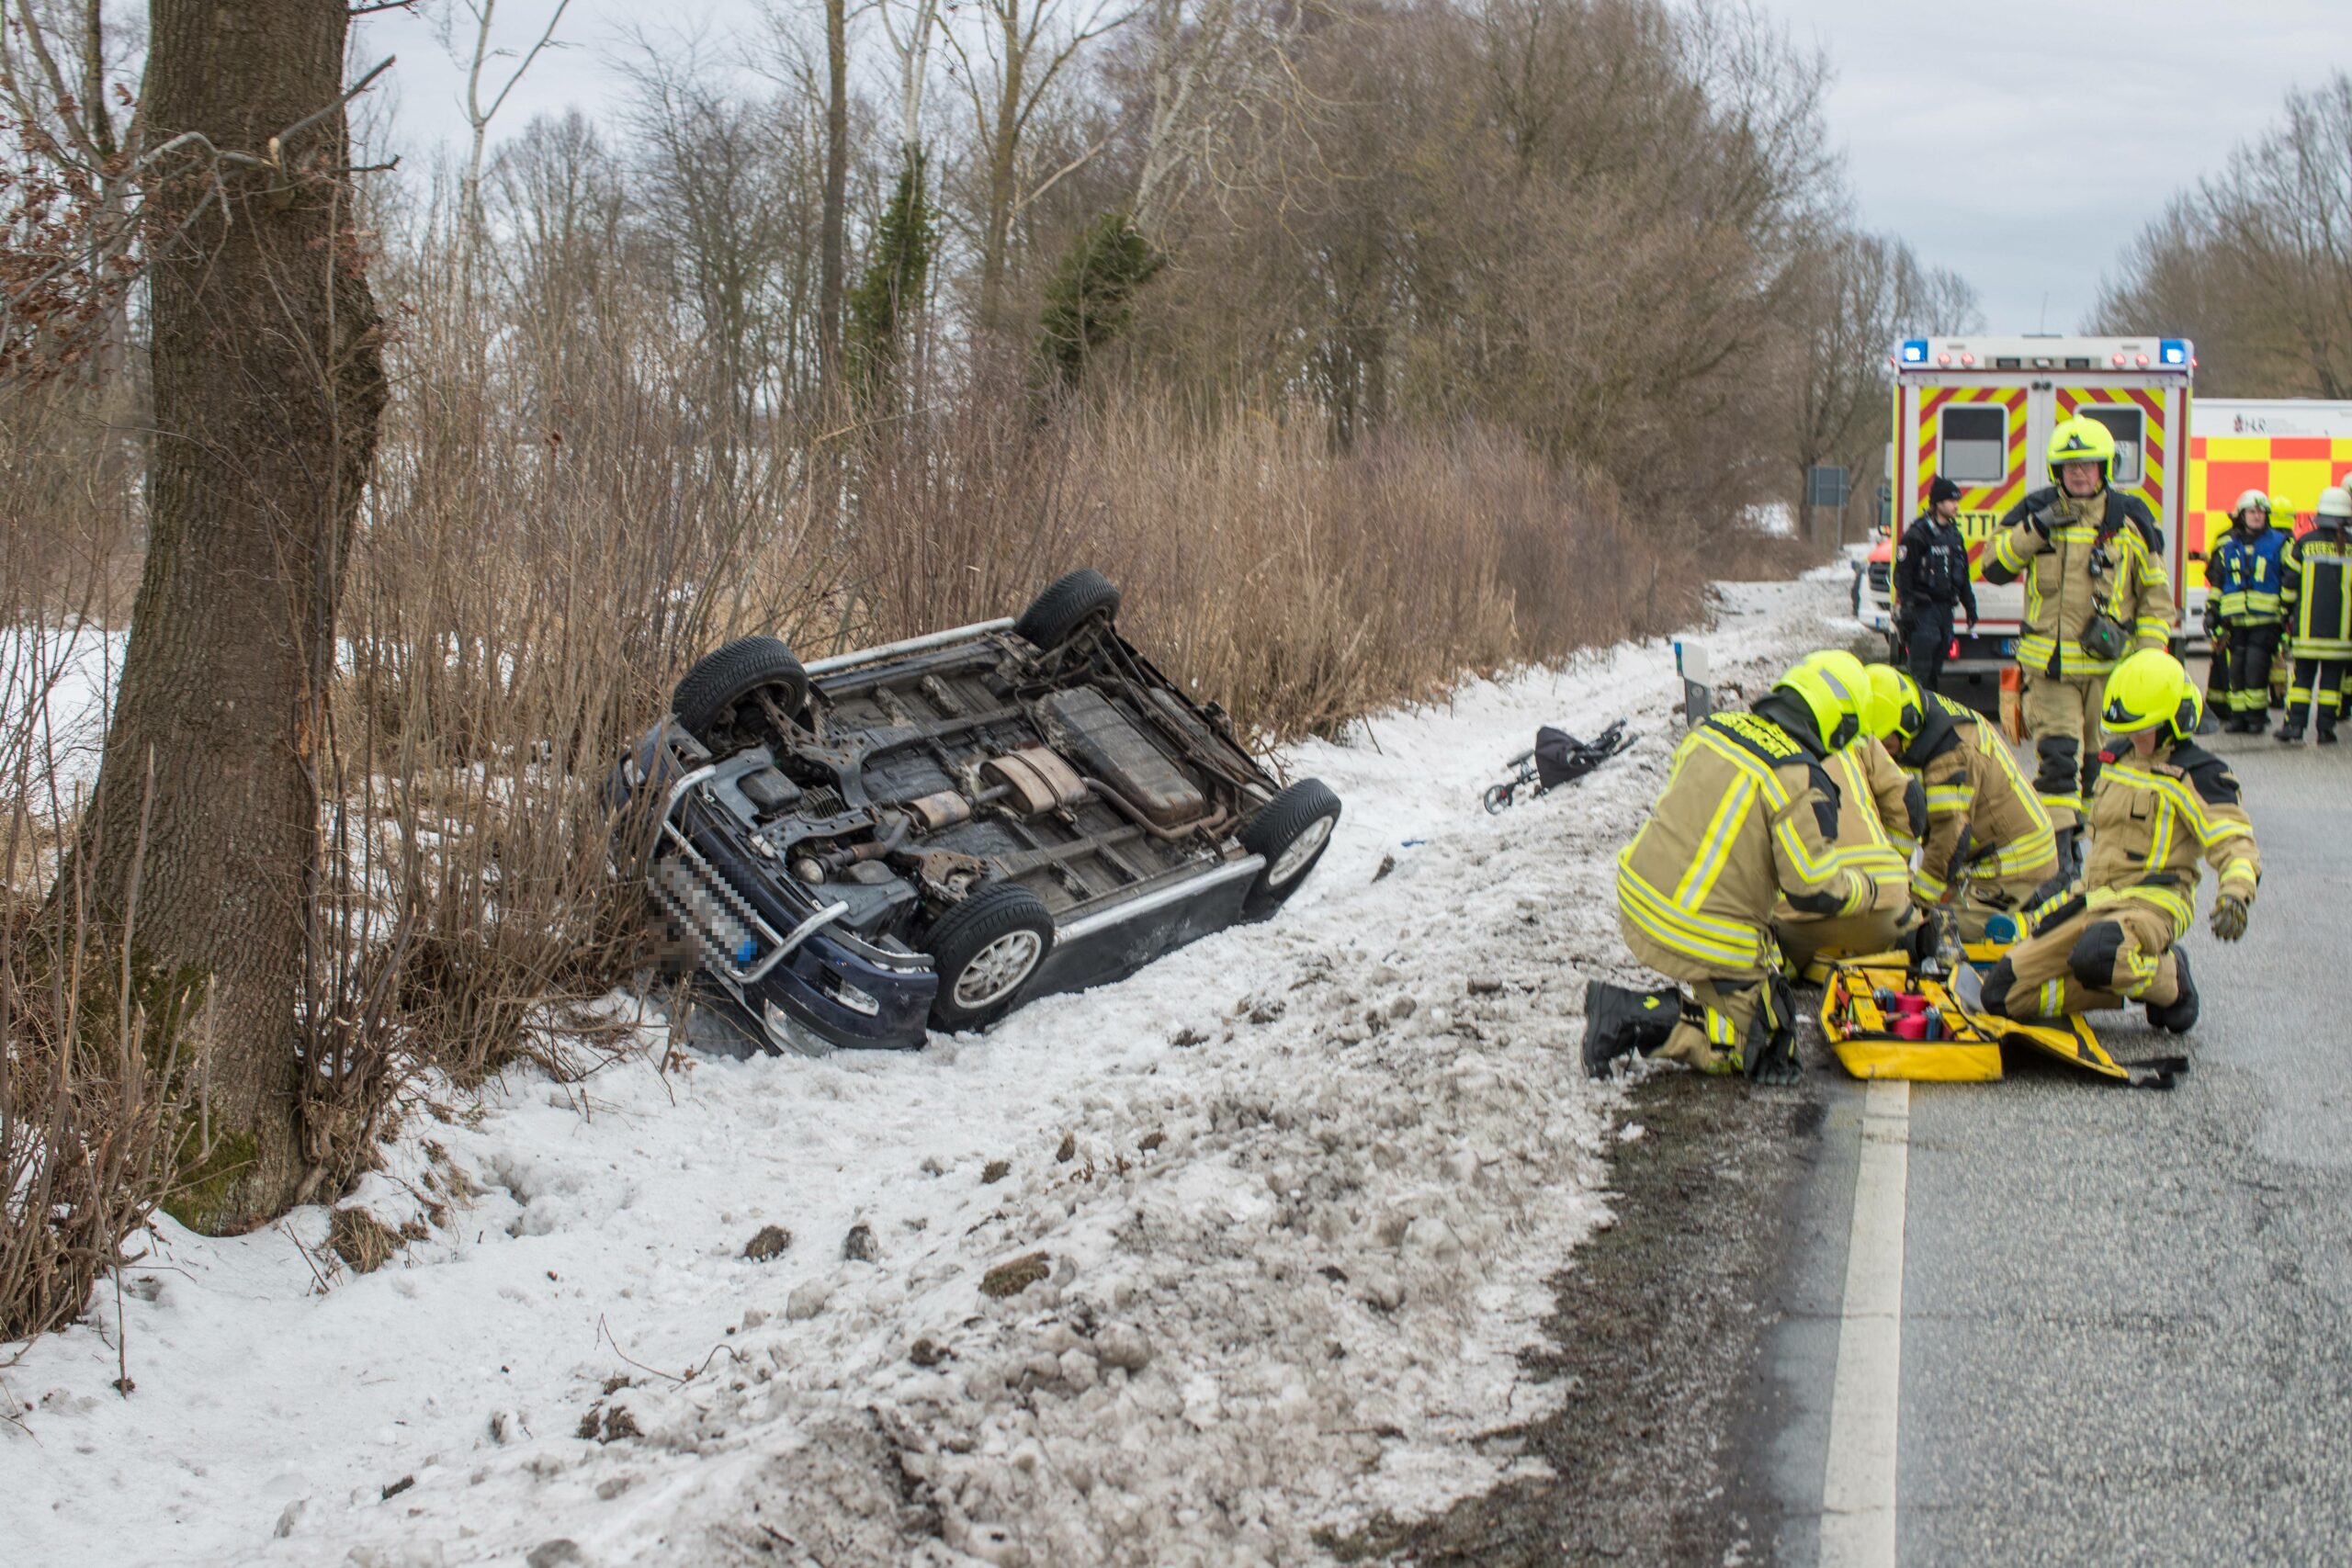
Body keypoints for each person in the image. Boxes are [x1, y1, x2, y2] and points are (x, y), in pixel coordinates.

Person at [1585, 651, 1887, 1085]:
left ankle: (1701, 993)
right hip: (1694, 928)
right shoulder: (1798, 777)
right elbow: (1814, 889)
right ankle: (1627, 1016)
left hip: (1639, 895)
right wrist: (1867, 890)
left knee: (1769, 994)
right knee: (1757, 1044)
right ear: (1839, 724)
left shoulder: (1714, 729)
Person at [1980, 649, 2256, 1031]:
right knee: (2001, 996)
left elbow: (2235, 842)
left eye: (2144, 729)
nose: (2135, 737)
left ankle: (2170, 979)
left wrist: (2235, 894)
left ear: (2174, 720)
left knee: (2100, 952)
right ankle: (2113, 978)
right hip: (2093, 897)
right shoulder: (2120, 757)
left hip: (2152, 901)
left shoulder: (2198, 774)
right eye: (2130, 730)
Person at [1980, 416, 2176, 871]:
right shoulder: (2037, 511)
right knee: (2060, 758)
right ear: (2057, 472)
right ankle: (2059, 853)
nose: (2079, 474)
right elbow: (1993, 566)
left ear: (2104, 467)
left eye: (2087, 465)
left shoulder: (2130, 519)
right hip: (2049, 670)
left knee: (2097, 764)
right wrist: (2038, 528)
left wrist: (2148, 661)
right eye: (2069, 467)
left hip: (2109, 672)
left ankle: (2084, 844)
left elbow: (2155, 600)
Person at [1860, 665, 2056, 942]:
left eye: (1884, 742)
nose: (1881, 751)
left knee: (1938, 932)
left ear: (1905, 725)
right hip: (1978, 859)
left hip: (2012, 863)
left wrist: (1918, 904)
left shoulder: (1949, 754)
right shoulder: (1916, 718)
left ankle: (2036, 926)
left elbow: (1950, 837)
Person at [1770, 653, 1925, 973]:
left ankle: (1811, 966)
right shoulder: (1856, 736)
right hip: (1885, 910)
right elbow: (1908, 802)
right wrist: (1896, 866)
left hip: (1803, 921)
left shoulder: (1763, 747)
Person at [2204, 491, 2288, 732]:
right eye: (2252, 512)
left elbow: (2289, 580)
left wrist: (2286, 613)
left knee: (2256, 667)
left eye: (2261, 512)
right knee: (2237, 669)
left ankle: (2256, 717)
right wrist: (2212, 611)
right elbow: (2219, 582)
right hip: (2236, 620)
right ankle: (2239, 716)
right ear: (2242, 515)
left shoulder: (2279, 543)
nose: (2257, 516)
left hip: (2265, 619)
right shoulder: (2229, 547)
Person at [2276, 486, 2352, 744]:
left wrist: (2285, 612)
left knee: (2302, 681)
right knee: (2331, 686)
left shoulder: (2304, 543)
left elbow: (2289, 584)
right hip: (2341, 636)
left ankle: (2295, 728)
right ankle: (2326, 730)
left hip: (2306, 632)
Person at [1894, 476, 1981, 694]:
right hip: (1923, 611)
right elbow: (1902, 574)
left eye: (1957, 501)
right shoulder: (1917, 534)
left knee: (1935, 670)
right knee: (1919, 671)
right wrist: (1908, 607)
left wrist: (1970, 606)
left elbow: (1961, 574)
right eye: (1952, 501)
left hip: (1945, 611)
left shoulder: (1953, 535)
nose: (1956, 506)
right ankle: (1914, 716)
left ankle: (1930, 713)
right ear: (1938, 503)